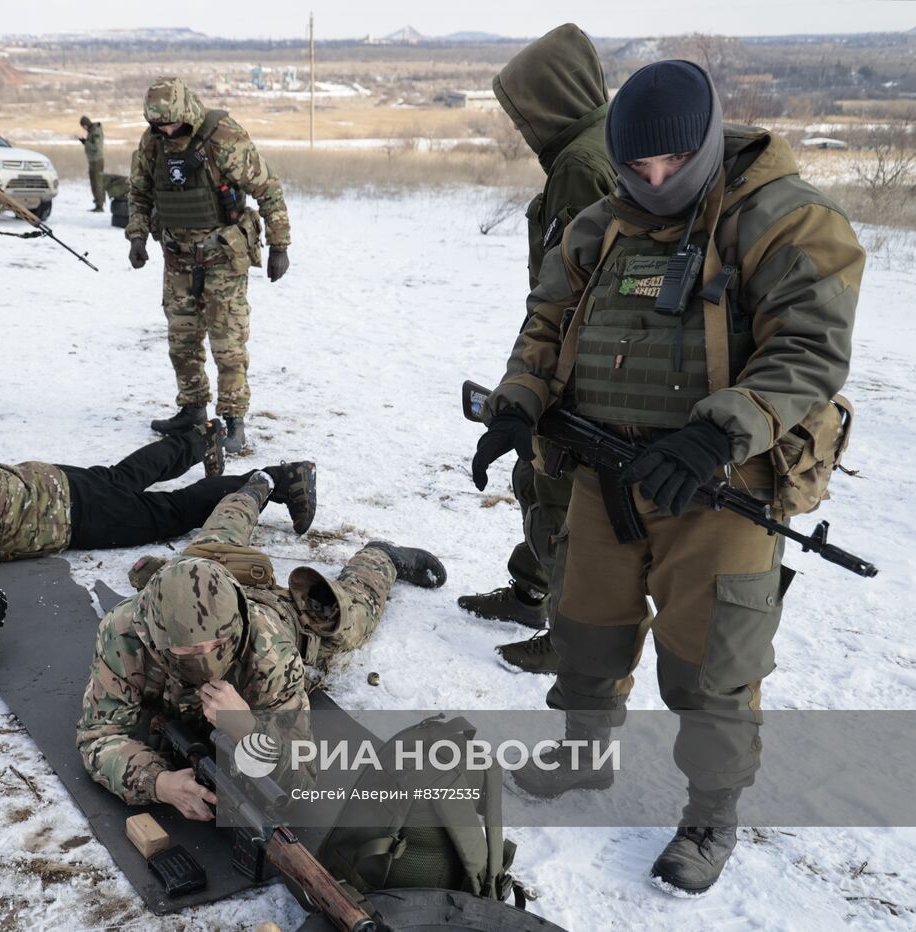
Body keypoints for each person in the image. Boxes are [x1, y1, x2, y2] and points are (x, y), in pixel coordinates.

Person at [471, 60, 863, 893]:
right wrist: (517, 403)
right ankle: (583, 755)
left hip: (720, 488)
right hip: (600, 472)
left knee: (711, 666)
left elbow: (810, 352)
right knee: (584, 626)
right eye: (636, 170)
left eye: (670, 169)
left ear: (709, 143)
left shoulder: (788, 222)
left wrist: (719, 436)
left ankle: (711, 812)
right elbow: (545, 322)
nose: (653, 184)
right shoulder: (600, 226)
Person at [77, 474, 446, 815]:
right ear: (153, 633)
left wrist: (246, 728)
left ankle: (381, 556)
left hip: (275, 613)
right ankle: (259, 485)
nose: (205, 663)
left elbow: (301, 776)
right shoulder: (126, 631)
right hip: (200, 588)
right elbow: (98, 737)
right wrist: (159, 783)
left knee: (350, 621)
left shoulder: (270, 653)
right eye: (187, 654)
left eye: (217, 646)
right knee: (216, 536)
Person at [458, 23, 617, 676]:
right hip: (586, 351)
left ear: (549, 99)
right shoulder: (601, 137)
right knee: (539, 477)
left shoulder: (581, 162)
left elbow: (577, 283)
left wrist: (541, 380)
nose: (520, 126)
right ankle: (529, 590)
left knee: (552, 487)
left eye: (523, 110)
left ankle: (569, 635)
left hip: (576, 358)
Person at [126, 77, 291, 455]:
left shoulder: (223, 137)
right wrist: (137, 237)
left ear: (186, 112)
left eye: (172, 123)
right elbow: (138, 191)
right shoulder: (153, 143)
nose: (166, 130)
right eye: (159, 124)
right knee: (182, 341)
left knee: (228, 344)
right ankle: (192, 409)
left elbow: (268, 189)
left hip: (223, 257)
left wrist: (280, 244)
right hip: (178, 257)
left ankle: (233, 421)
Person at [78, 115, 105, 212]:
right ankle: (97, 203)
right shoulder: (92, 131)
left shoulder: (96, 132)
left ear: (86, 124)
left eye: (83, 126)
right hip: (92, 161)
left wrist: (86, 143)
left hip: (97, 161)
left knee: (98, 183)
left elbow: (96, 147)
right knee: (94, 182)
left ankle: (100, 205)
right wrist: (85, 142)